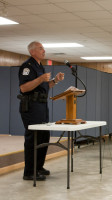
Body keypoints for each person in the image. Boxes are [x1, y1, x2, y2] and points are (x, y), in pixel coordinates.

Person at [19, 41, 64, 181]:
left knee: (44, 137)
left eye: (43, 48)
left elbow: (45, 86)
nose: (44, 51)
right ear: (32, 52)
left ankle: (38, 167)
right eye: (40, 48)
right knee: (33, 138)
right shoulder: (27, 66)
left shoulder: (40, 67)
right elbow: (24, 88)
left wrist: (55, 81)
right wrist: (39, 79)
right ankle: (29, 172)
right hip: (31, 106)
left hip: (42, 106)